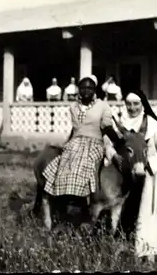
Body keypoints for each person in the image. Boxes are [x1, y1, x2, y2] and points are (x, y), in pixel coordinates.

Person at [104, 89, 157, 262]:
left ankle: (149, 253)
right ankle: (129, 252)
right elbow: (110, 144)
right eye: (128, 104)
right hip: (127, 178)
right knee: (125, 213)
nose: (132, 107)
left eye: (136, 103)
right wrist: (113, 155)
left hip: (151, 177)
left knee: (148, 213)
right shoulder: (121, 124)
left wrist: (148, 166)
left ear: (143, 104)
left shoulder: (154, 125)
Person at [42, 75, 121, 205]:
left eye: (90, 88)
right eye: (83, 88)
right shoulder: (73, 107)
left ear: (94, 90)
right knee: (63, 162)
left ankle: (83, 196)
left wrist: (119, 140)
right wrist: (67, 142)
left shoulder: (103, 106)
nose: (86, 91)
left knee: (84, 161)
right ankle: (64, 195)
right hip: (75, 141)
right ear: (78, 90)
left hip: (95, 142)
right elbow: (75, 129)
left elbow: (107, 127)